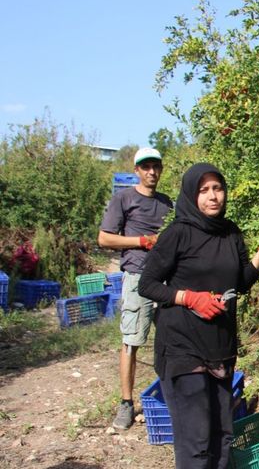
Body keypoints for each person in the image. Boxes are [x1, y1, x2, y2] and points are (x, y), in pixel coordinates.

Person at [138, 163, 259, 469]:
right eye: (204, 190)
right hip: (183, 345)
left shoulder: (230, 233)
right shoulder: (177, 234)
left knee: (222, 436)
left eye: (218, 188)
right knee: (196, 441)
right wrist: (188, 297)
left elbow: (240, 283)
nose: (213, 196)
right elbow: (147, 284)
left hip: (220, 346)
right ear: (191, 195)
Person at [98, 147, 173, 430]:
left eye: (156, 166)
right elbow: (105, 239)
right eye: (146, 167)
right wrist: (142, 242)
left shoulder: (168, 203)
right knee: (131, 342)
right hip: (138, 277)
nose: (151, 172)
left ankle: (171, 395)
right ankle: (126, 404)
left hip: (167, 278)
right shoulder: (124, 198)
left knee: (171, 341)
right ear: (137, 171)